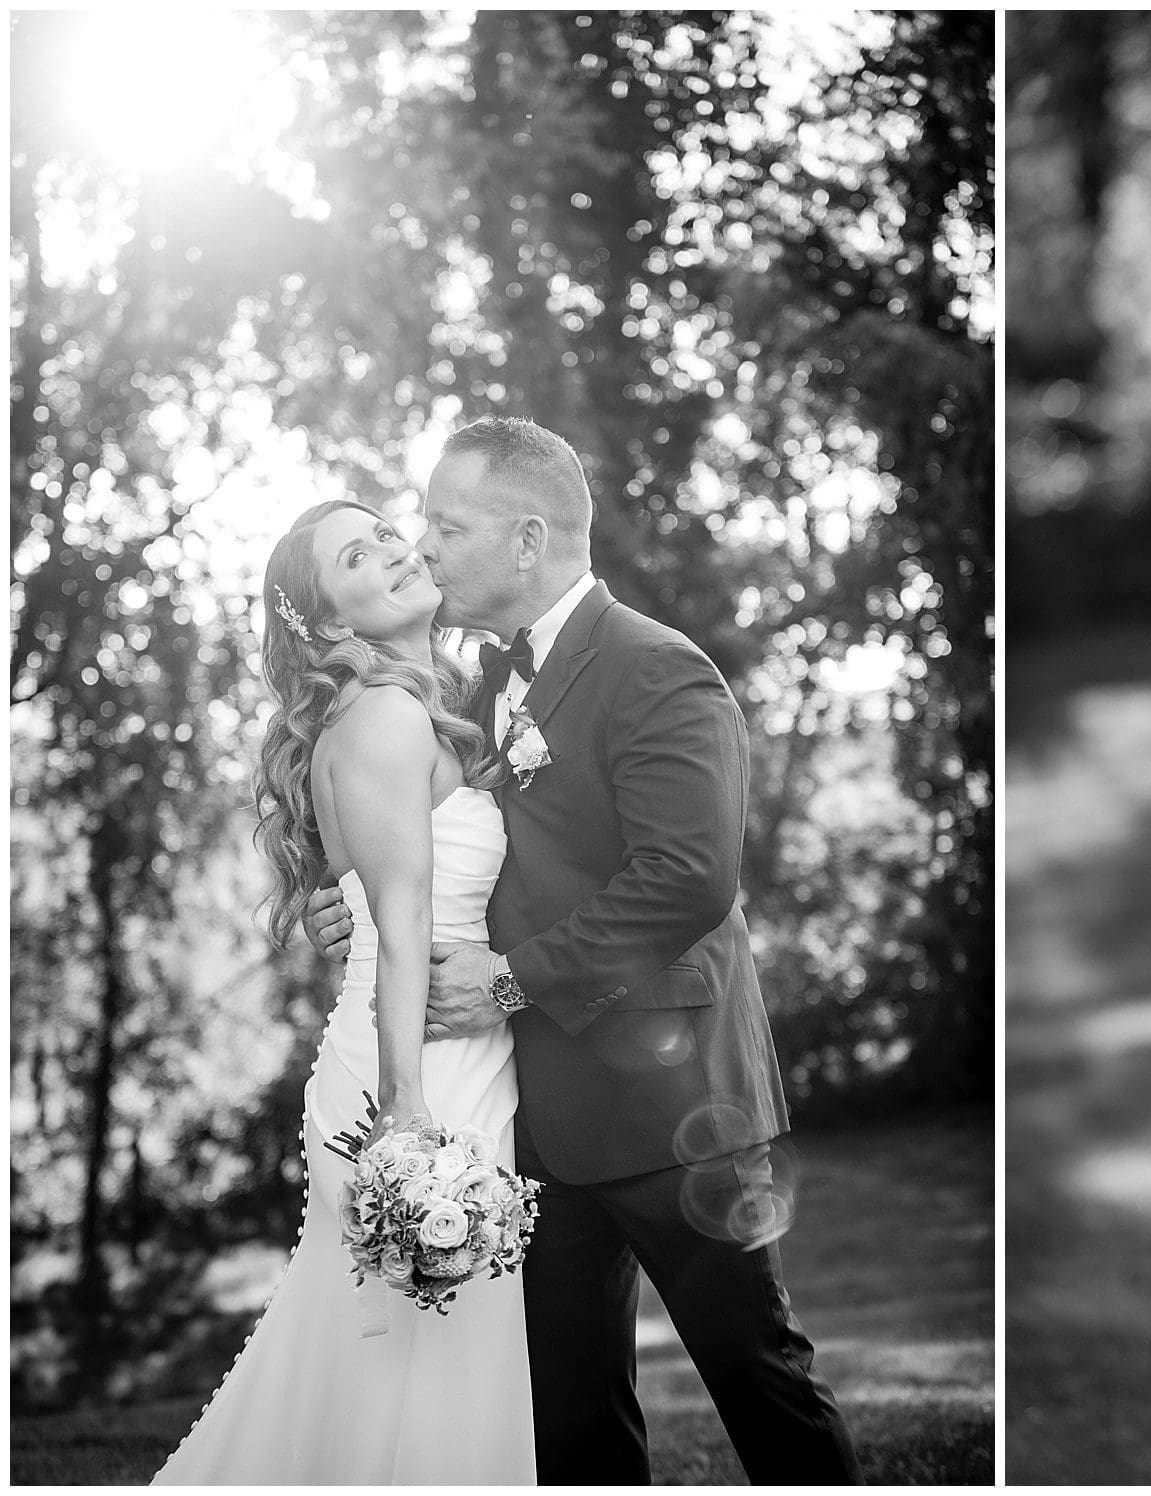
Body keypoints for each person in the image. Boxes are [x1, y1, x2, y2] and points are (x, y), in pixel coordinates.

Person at [304, 416, 859, 1484]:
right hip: (535, 1120)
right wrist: (353, 911)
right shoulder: (463, 690)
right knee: (571, 1420)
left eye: (444, 524)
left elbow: (689, 876)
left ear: (525, 540)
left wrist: (512, 977)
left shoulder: (656, 667)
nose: (422, 546)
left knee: (761, 1383)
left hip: (677, 1110)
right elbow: (425, 846)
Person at [156, 500, 533, 1483]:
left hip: (444, 1044)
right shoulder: (385, 717)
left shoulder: (427, 703)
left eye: (386, 532)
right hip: (411, 1068)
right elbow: (401, 927)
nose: (396, 551)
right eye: (356, 557)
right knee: (433, 1361)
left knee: (402, 1365)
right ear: (330, 625)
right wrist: (405, 1112)